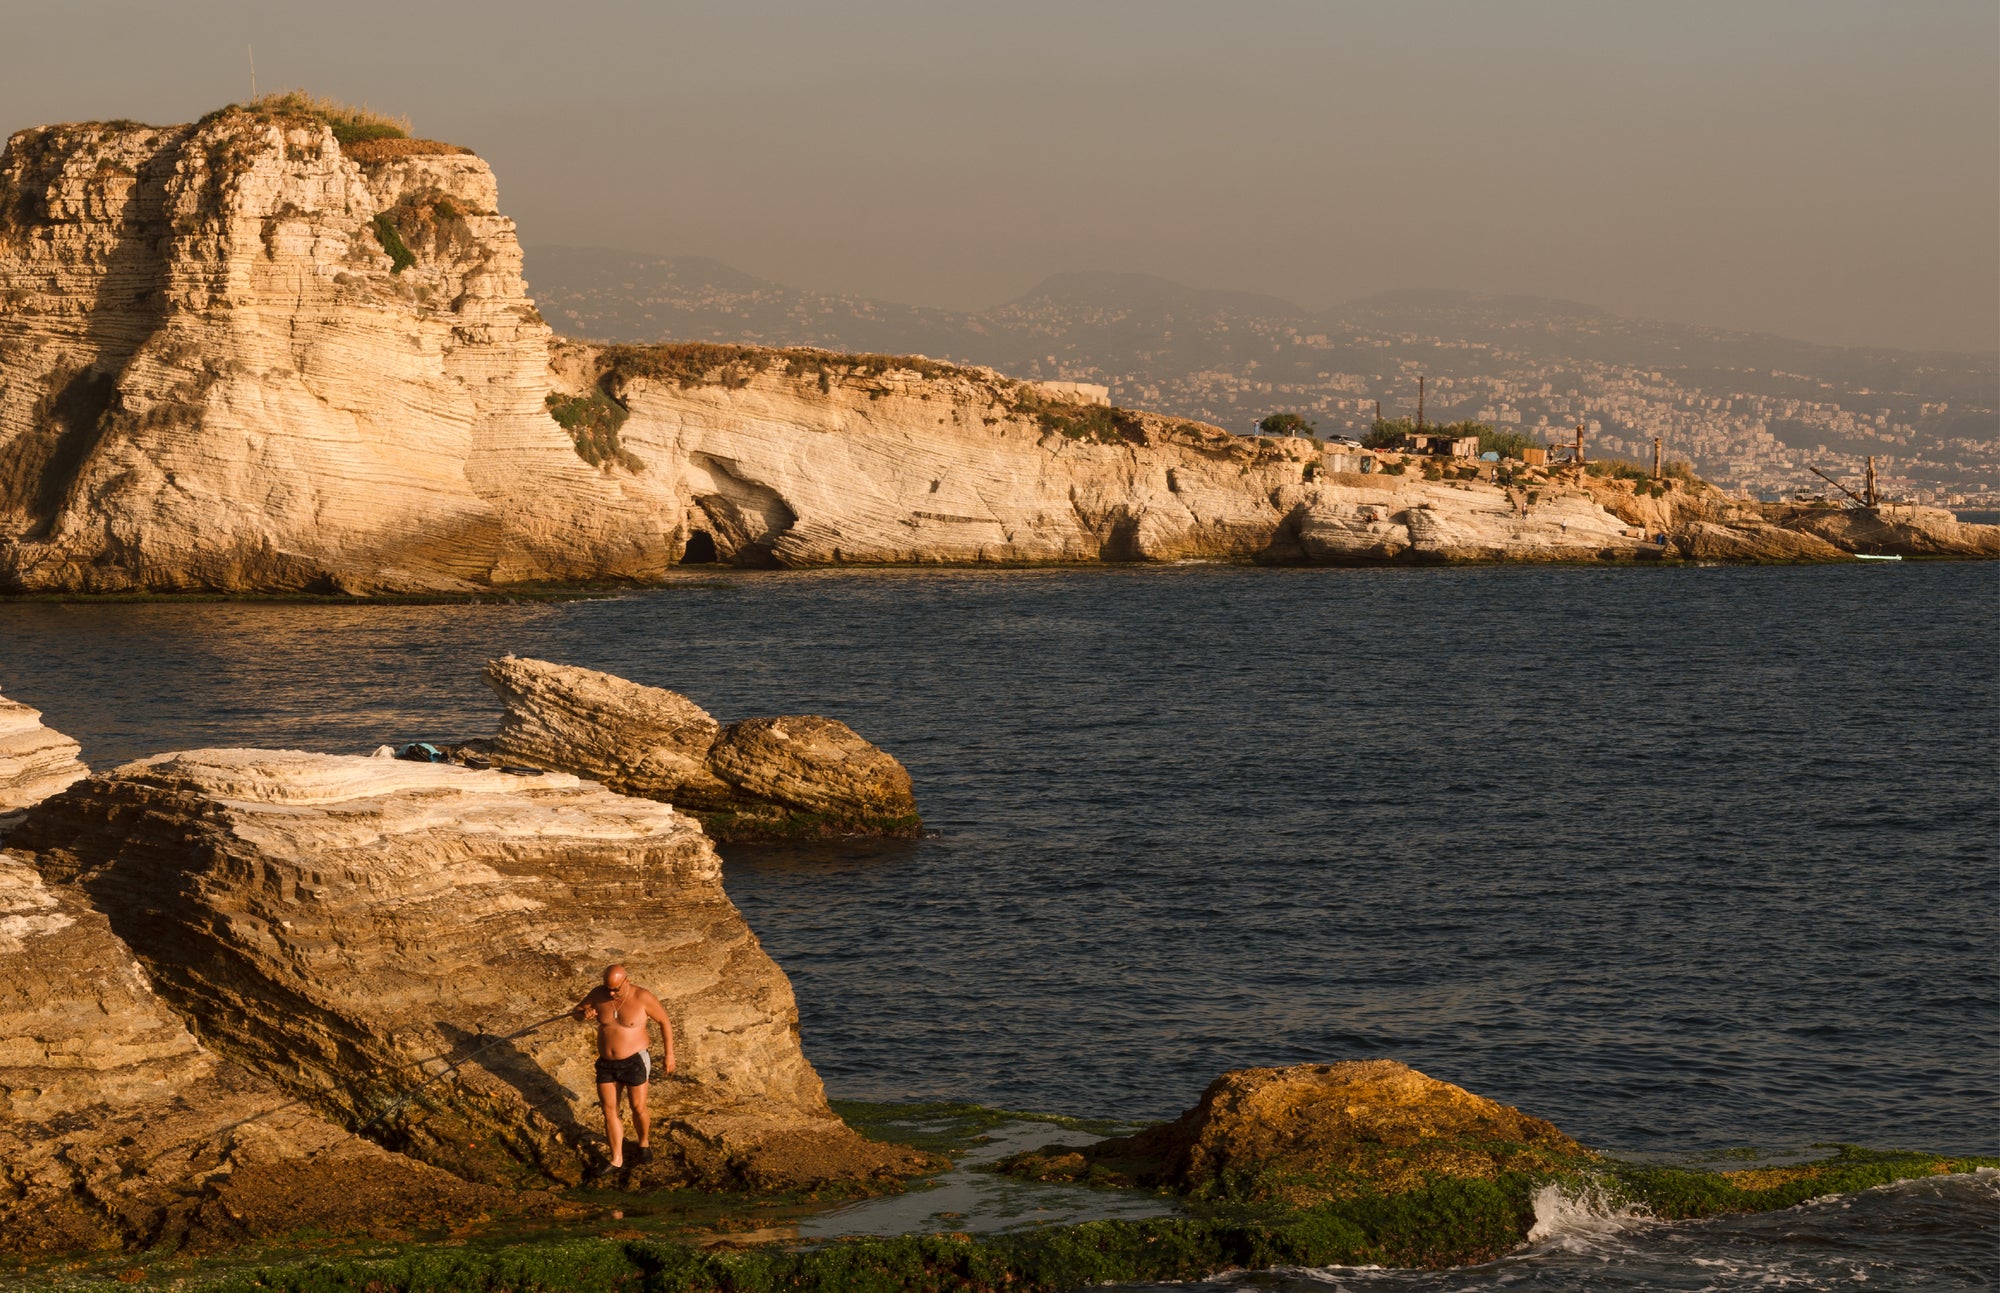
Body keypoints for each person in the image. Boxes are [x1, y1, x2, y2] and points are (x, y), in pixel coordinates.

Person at [572, 964, 675, 1173]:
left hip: (635, 1060)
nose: (611, 993)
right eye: (607, 988)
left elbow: (664, 1022)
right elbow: (576, 1012)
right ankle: (616, 1158)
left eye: (615, 989)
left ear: (625, 981)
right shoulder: (598, 994)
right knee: (609, 1110)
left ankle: (644, 1142)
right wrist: (583, 1014)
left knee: (638, 1107)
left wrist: (669, 1055)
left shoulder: (642, 997)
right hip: (606, 1063)